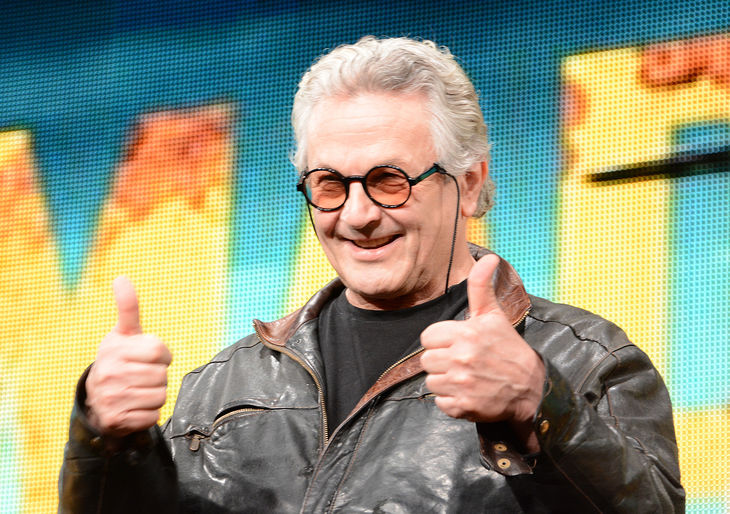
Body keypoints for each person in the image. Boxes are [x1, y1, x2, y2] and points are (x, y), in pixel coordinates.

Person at [59, 36, 684, 512]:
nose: (357, 215)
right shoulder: (223, 383)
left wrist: (540, 409)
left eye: (390, 180)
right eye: (330, 184)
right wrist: (107, 440)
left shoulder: (585, 361)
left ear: (469, 184)